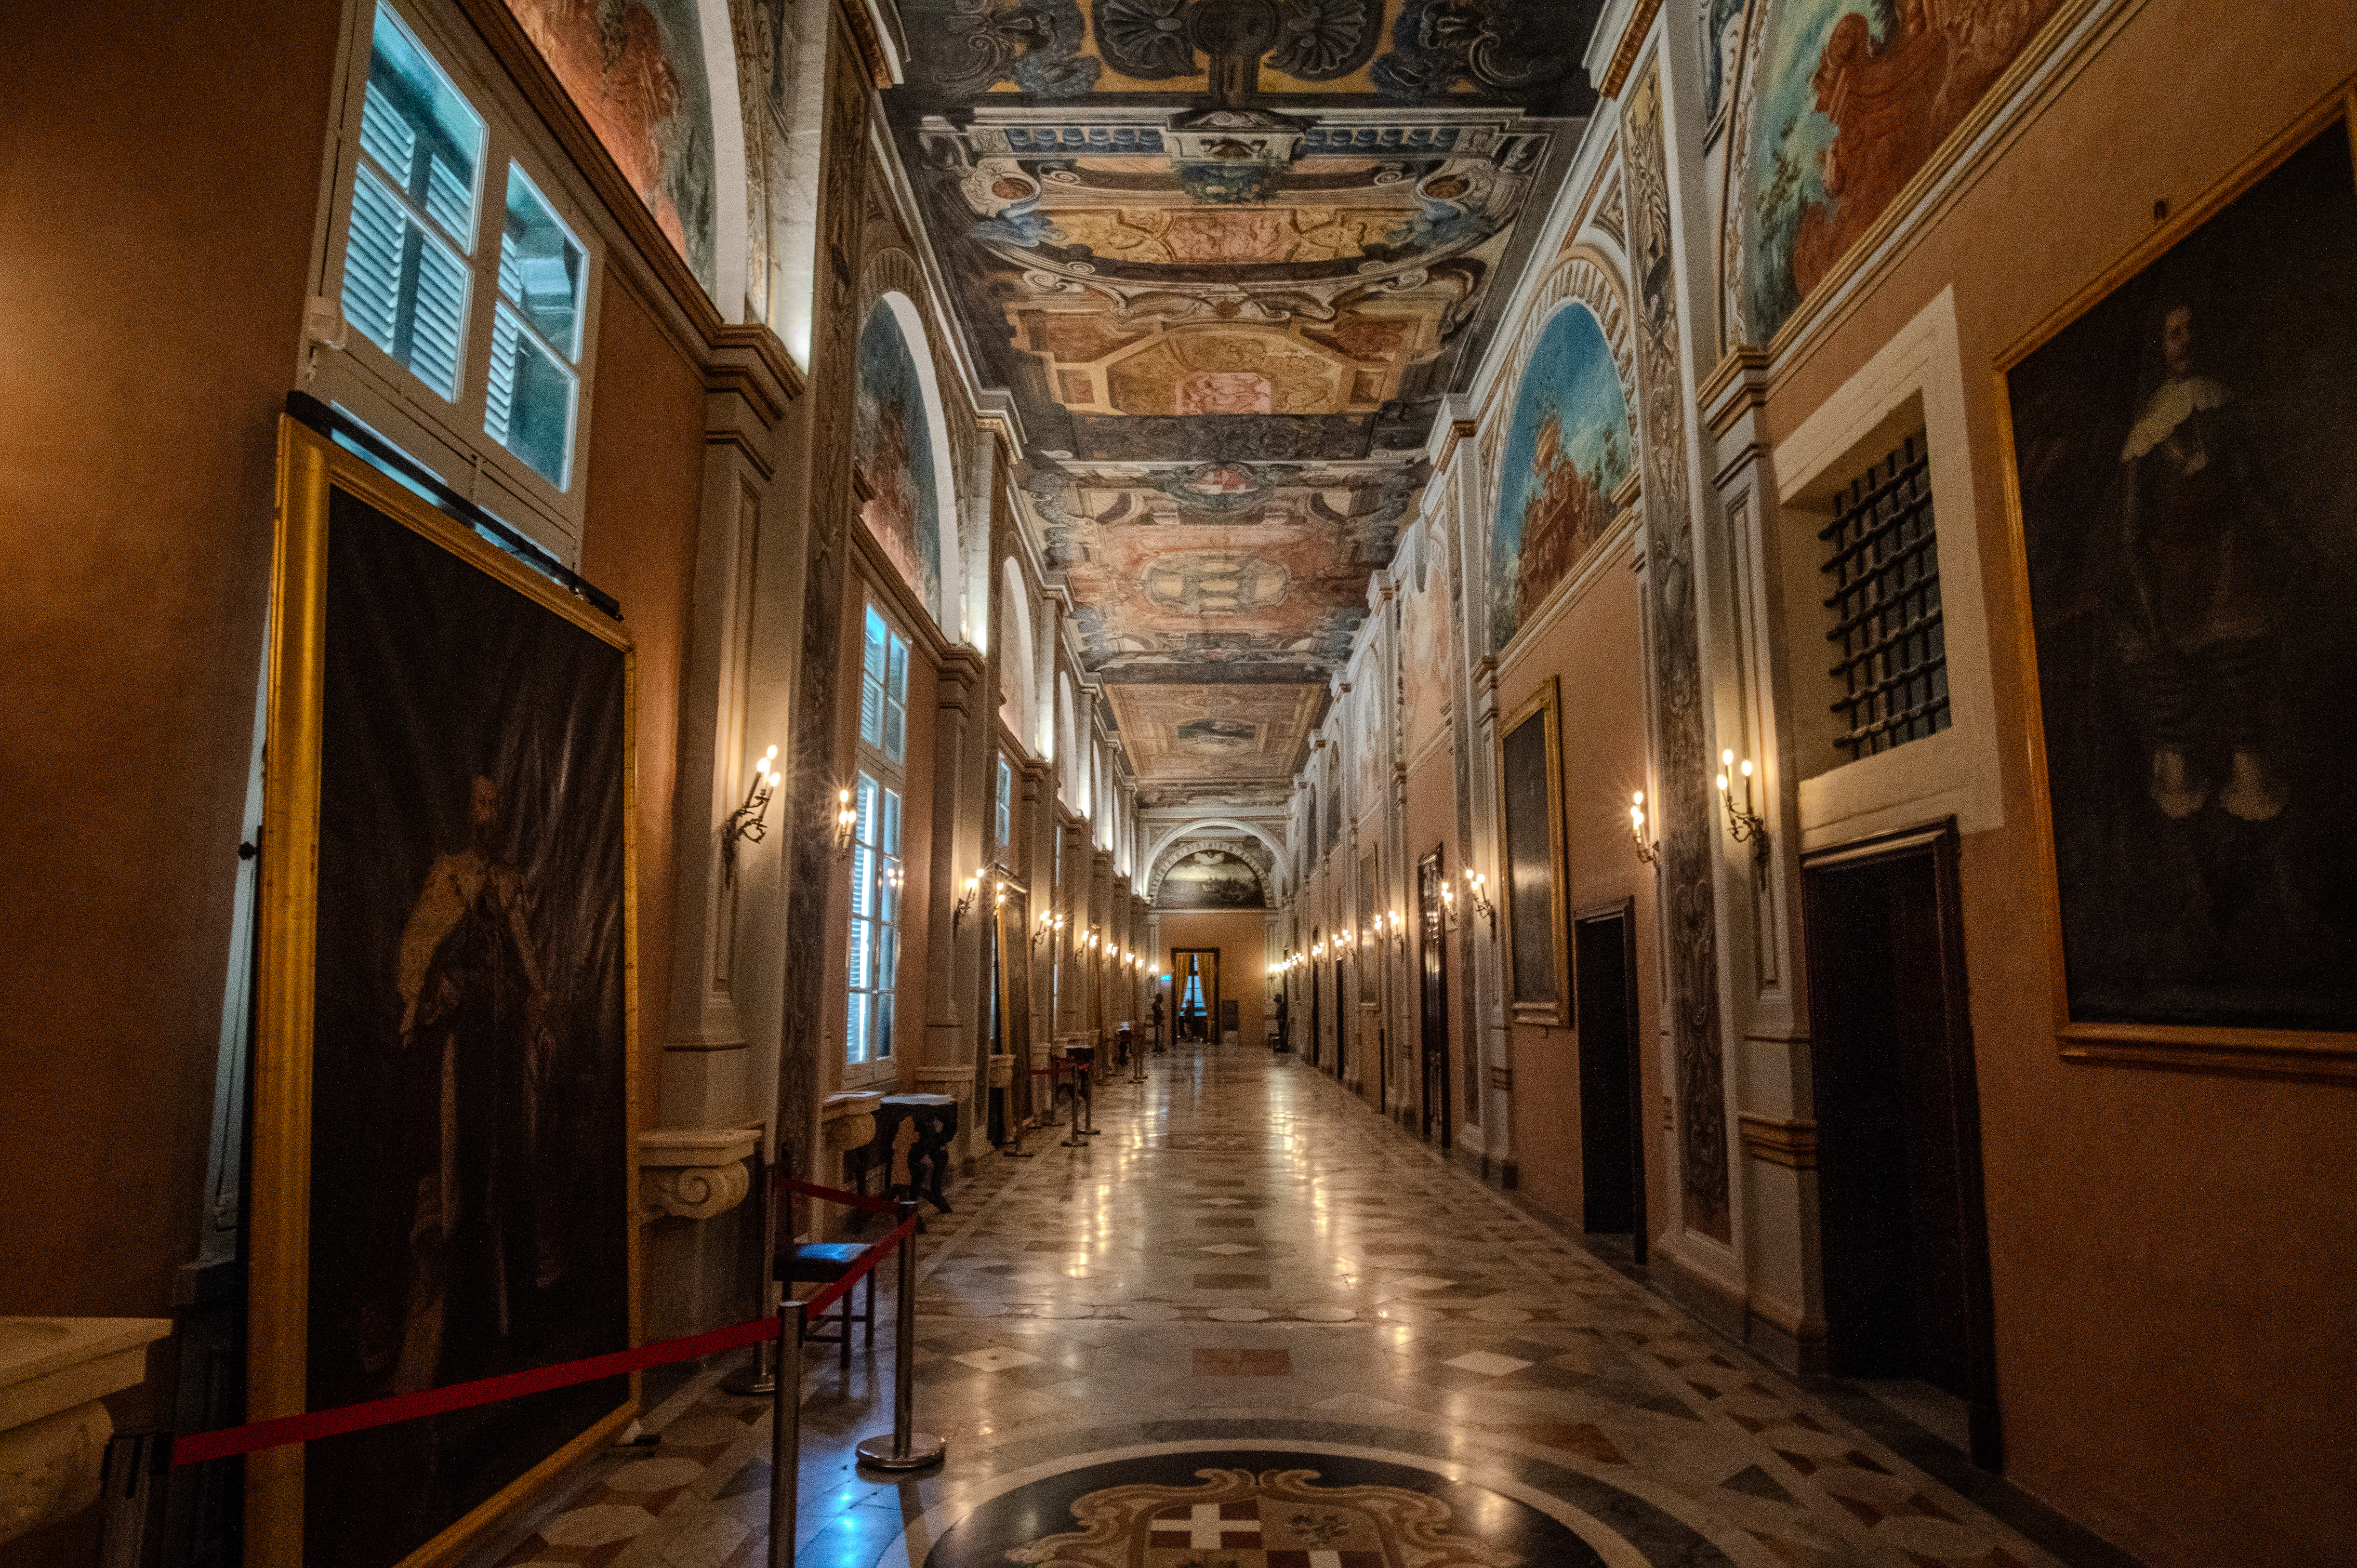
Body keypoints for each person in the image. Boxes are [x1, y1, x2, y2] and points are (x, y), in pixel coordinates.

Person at [389, 774, 559, 1393]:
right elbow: (418, 951)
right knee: (460, 1182)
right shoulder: (450, 875)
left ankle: (509, 1324)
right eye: (477, 802)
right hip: (464, 1052)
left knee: (508, 1180)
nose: (486, 814)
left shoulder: (512, 883)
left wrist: (537, 1010)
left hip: (501, 1050)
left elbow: (527, 960)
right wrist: (432, 993)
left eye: (494, 803)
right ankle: (454, 1333)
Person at [2114, 301, 2290, 822]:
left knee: (2240, 665)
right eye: (2173, 334)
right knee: (2162, 667)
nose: (2184, 342)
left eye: (2192, 331)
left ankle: (2251, 779)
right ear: (2162, 347)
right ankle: (2177, 782)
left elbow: (2253, 490)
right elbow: (2131, 530)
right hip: (2172, 573)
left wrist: (2288, 548)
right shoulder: (2146, 432)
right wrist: (2147, 598)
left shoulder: (2225, 411)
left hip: (2230, 560)